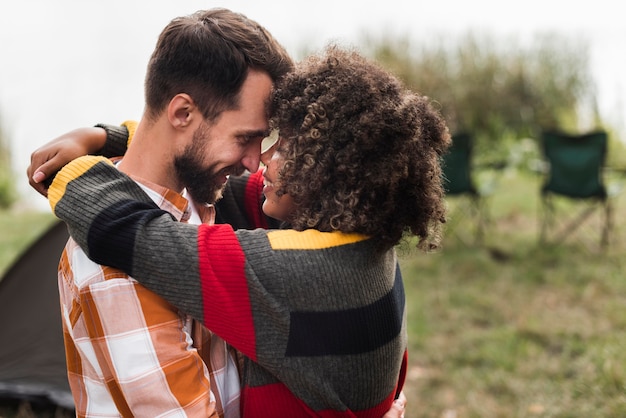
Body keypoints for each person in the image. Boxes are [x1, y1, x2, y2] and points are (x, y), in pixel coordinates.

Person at [42, 45, 450, 417]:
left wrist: (64, 170)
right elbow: (192, 160)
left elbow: (128, 230)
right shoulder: (361, 240)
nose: (261, 161)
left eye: (282, 146)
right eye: (252, 139)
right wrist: (111, 137)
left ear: (329, 171)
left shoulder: (291, 271)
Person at [40, 8, 294, 418]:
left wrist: (105, 136)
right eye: (245, 138)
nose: (254, 161)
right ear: (182, 114)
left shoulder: (199, 194)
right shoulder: (115, 268)